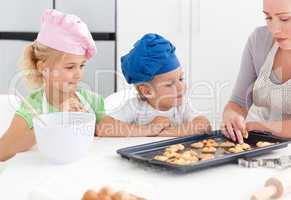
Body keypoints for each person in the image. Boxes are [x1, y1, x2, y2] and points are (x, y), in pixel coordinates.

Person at [221, 0, 291, 143]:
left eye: (285, 18)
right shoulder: (259, 39)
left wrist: (262, 127)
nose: (274, 29)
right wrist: (231, 117)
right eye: (268, 17)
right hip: (256, 146)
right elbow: (238, 102)